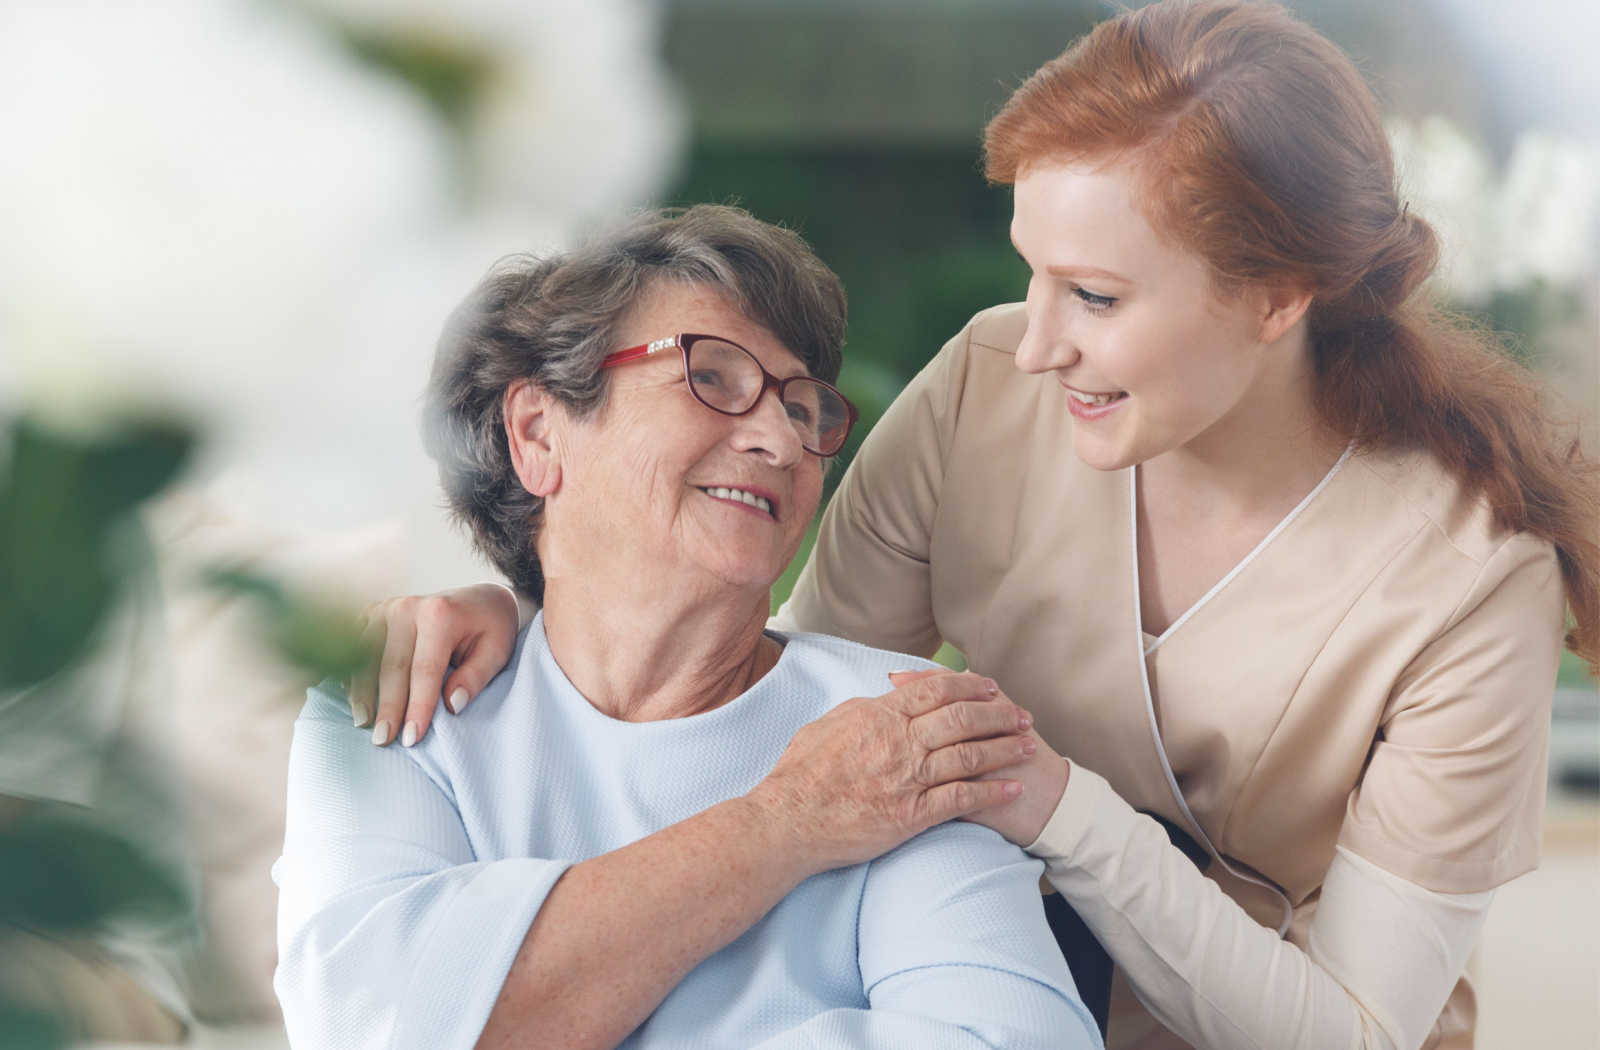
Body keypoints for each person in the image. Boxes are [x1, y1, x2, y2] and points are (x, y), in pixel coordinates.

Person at [357, 3, 1600, 1048]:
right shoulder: (985, 388)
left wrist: (1058, 809)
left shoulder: (1469, 579)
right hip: (991, 974)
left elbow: (1360, 1035)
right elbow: (768, 710)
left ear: (1276, 297)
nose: (1039, 340)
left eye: (1097, 296)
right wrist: (535, 606)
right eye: (1032, 272)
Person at [272, 204, 1103, 1049]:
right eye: (714, 376)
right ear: (538, 434)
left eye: (804, 406)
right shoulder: (394, 701)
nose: (782, 441)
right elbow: (370, 1026)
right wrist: (794, 817)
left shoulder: (901, 728)